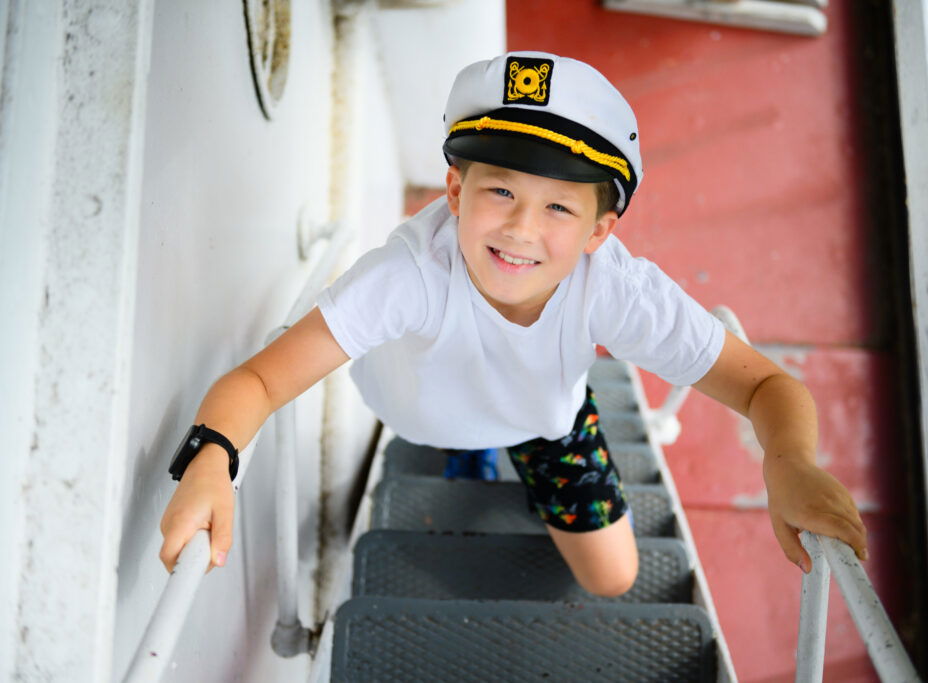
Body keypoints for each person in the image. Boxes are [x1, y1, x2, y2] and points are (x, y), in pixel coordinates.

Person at [159, 51, 867, 597]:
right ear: (455, 190)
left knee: (613, 578)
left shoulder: (615, 288)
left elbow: (765, 385)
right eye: (500, 190)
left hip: (543, 419)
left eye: (560, 207)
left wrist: (790, 464)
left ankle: (507, 446)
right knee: (446, 439)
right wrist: (212, 459)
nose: (522, 229)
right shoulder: (408, 273)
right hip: (422, 412)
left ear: (599, 230)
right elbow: (258, 378)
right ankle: (469, 449)